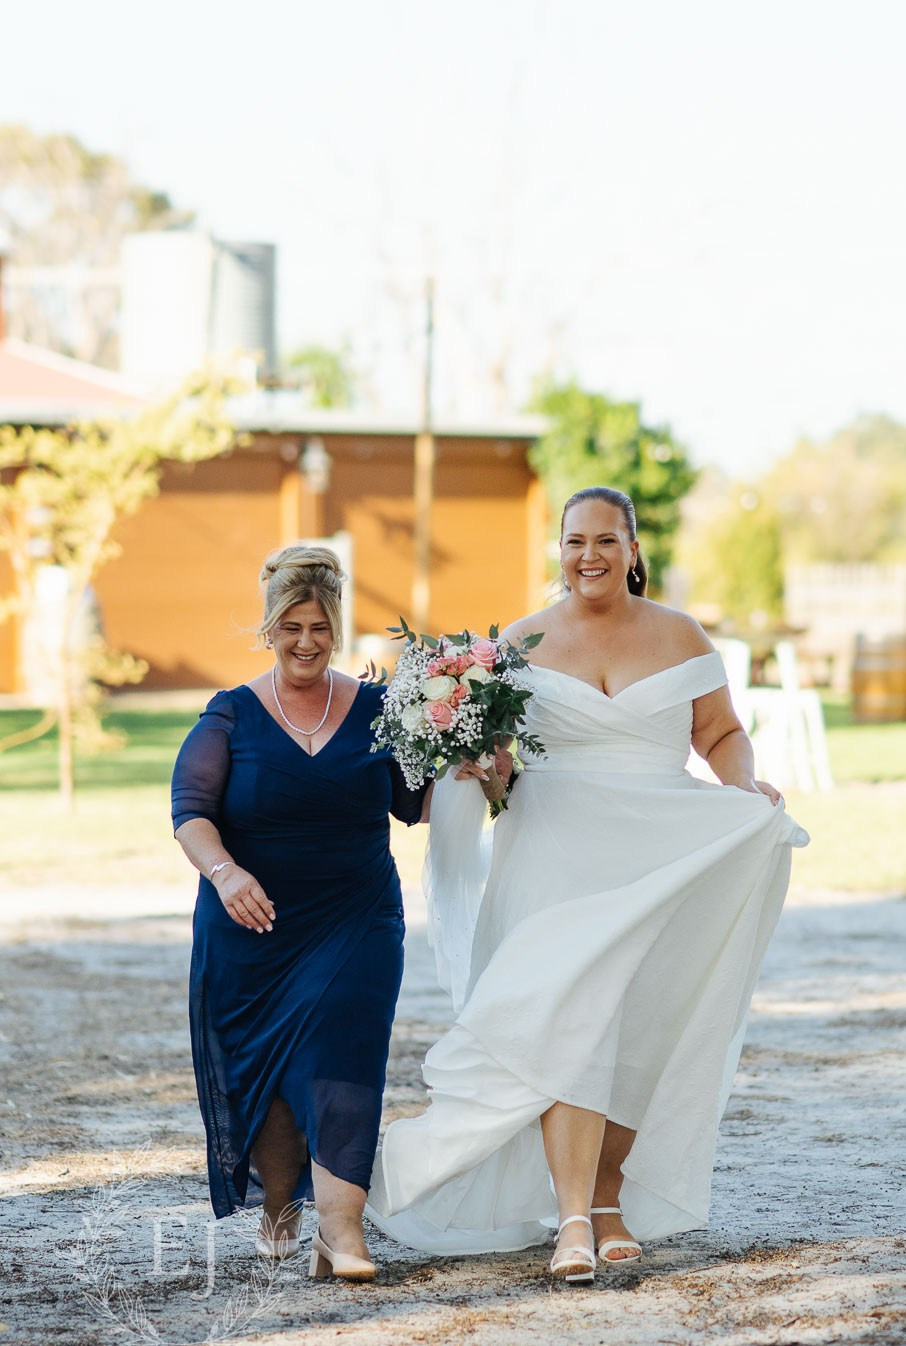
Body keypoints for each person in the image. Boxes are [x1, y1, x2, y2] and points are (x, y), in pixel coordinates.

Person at [367, 487, 808, 1282]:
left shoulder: (681, 635)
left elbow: (720, 732)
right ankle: (571, 1216)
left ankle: (608, 1199)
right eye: (575, 542)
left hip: (656, 846)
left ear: (633, 550)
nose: (590, 556)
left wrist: (745, 788)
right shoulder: (521, 640)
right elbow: (500, 769)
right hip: (553, 852)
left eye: (607, 541)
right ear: (559, 550)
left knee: (644, 1021)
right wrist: (481, 772)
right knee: (566, 1018)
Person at [171, 546, 428, 1282]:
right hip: (254, 924)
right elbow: (190, 811)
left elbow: (415, 805)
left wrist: (482, 766)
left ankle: (342, 1233)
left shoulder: (380, 711)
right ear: (269, 629)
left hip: (358, 919)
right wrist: (224, 873)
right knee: (274, 1080)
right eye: (291, 627)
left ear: (337, 625)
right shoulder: (231, 715)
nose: (307, 641)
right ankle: (280, 1202)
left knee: (347, 1061)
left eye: (319, 625)